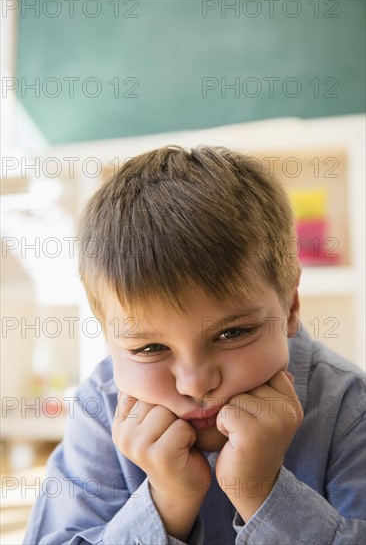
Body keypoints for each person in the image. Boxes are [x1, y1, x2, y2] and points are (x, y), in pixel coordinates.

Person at [24, 146, 365, 544]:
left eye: (232, 333)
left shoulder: (347, 405)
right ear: (108, 336)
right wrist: (167, 501)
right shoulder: (101, 408)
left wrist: (263, 492)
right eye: (150, 348)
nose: (194, 384)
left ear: (290, 306)